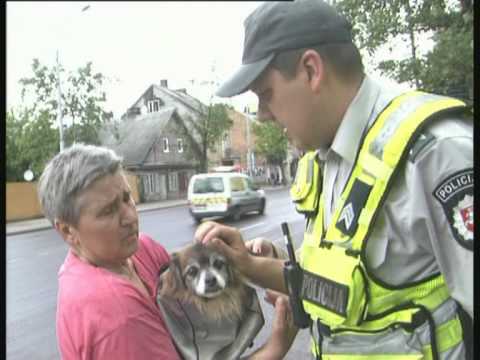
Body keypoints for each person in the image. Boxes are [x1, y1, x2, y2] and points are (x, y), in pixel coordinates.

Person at [195, 0, 473, 359]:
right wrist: (251, 265)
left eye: (266, 94)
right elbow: (344, 292)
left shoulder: (437, 152)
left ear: (311, 70)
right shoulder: (323, 159)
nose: (262, 115)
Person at [37, 143, 295, 360]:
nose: (128, 217)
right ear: (68, 231)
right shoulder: (117, 315)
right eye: (107, 211)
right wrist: (274, 348)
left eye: (126, 199)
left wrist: (252, 257)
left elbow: (201, 281)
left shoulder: (140, 251)